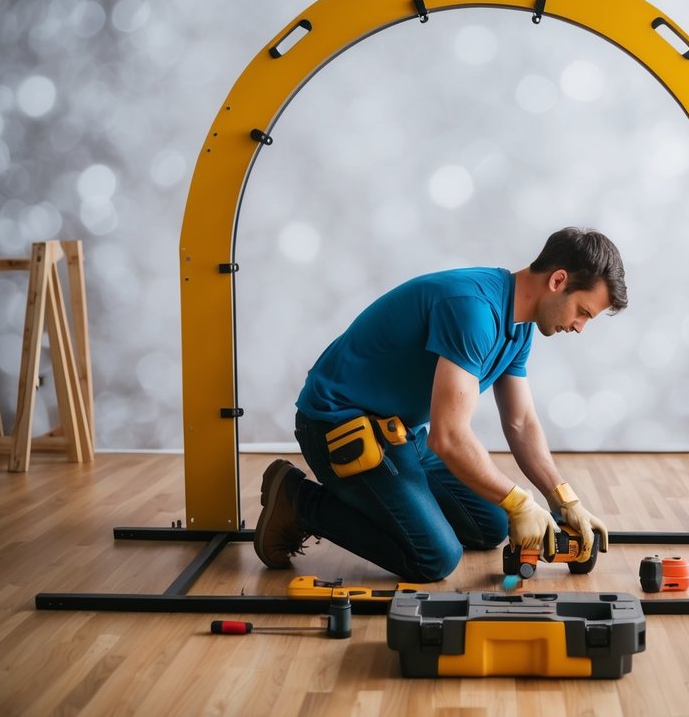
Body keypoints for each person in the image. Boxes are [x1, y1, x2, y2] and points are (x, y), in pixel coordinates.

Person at [253, 227, 628, 582]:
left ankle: (401, 500)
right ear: (558, 281)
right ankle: (297, 499)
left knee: (491, 526)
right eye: (582, 312)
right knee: (433, 557)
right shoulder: (474, 311)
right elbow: (448, 438)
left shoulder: (519, 325)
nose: (579, 326)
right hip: (339, 427)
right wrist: (520, 503)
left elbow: (520, 423)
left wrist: (563, 499)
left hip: (398, 432)